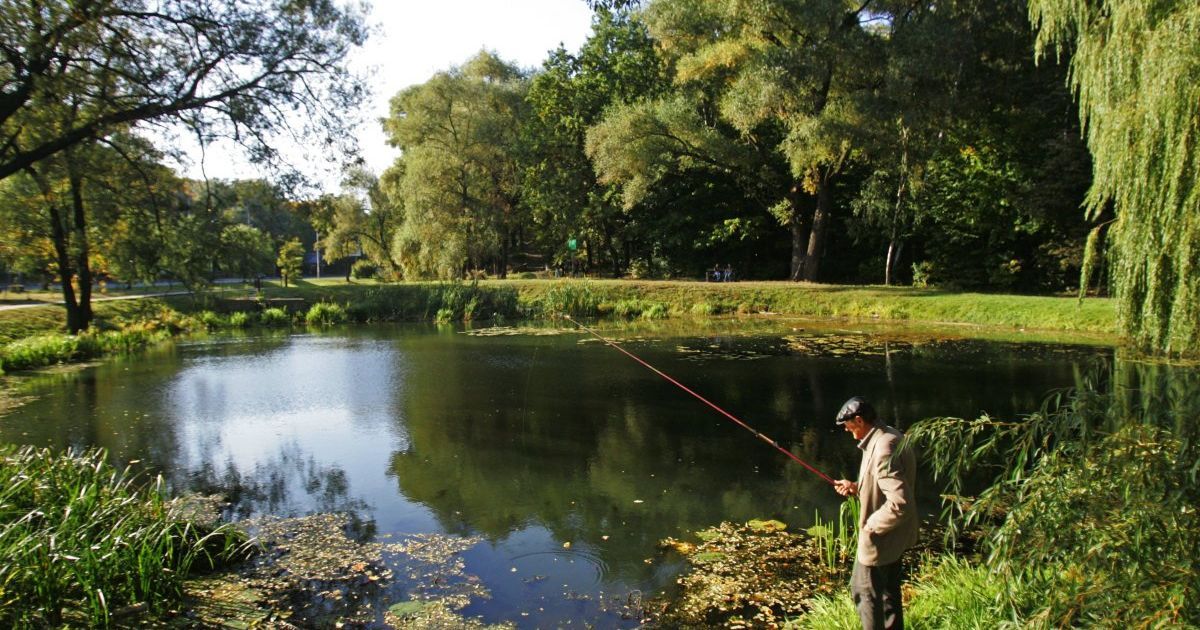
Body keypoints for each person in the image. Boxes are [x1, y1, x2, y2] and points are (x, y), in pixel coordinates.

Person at [833, 397, 918, 630]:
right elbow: (886, 484)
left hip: (881, 538)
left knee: (864, 592)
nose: (848, 432)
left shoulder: (882, 448)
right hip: (895, 537)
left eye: (848, 426)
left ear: (859, 420)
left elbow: (900, 503)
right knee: (888, 594)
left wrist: (871, 526)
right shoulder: (889, 435)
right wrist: (856, 487)